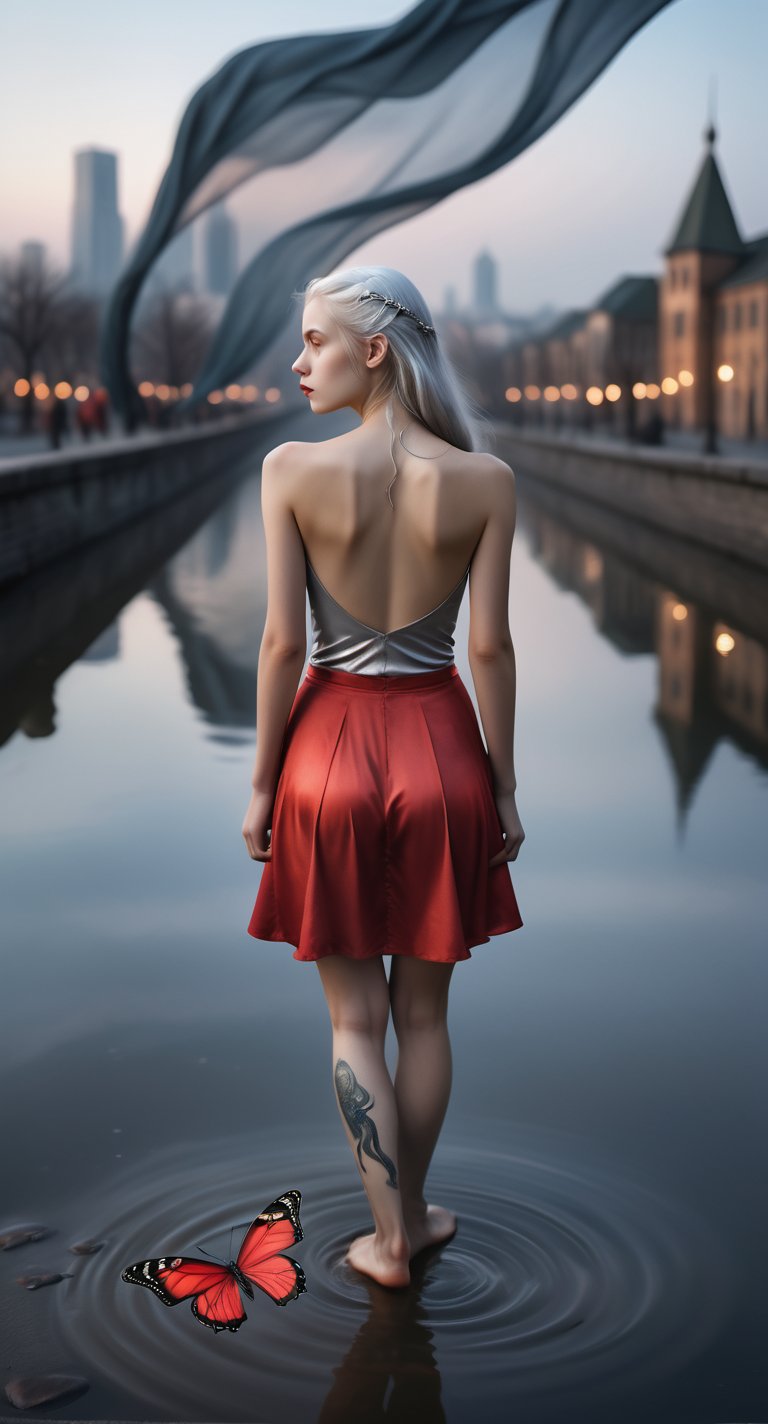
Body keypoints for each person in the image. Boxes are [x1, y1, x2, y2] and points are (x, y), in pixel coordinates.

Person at [242, 266, 525, 1289]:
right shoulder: (484, 479)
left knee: (353, 1019)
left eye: (313, 341)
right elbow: (488, 648)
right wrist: (502, 786)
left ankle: (387, 1242)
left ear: (372, 349)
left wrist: (264, 784)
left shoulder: (289, 470)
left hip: (327, 757)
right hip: (445, 751)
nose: (297, 360)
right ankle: (411, 1214)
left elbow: (281, 643)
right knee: (425, 1019)